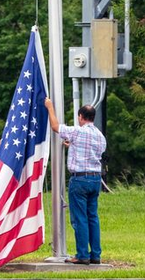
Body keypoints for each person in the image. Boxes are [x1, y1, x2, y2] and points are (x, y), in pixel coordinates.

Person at [44, 97, 107, 265]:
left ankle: (82, 255)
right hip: (95, 179)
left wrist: (50, 107)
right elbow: (90, 153)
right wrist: (71, 146)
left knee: (80, 218)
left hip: (80, 180)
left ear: (80, 117)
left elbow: (55, 127)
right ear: (93, 117)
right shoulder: (100, 136)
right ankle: (95, 255)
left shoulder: (77, 132)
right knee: (92, 217)